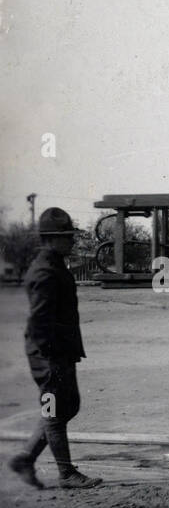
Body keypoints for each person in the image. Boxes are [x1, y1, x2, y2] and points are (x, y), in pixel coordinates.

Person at [7, 207, 101, 490]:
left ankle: (26, 458)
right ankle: (66, 473)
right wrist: (50, 357)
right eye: (67, 237)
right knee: (55, 411)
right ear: (51, 239)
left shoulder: (54, 264)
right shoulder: (45, 272)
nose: (72, 241)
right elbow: (39, 320)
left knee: (68, 405)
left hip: (59, 352)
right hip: (48, 356)